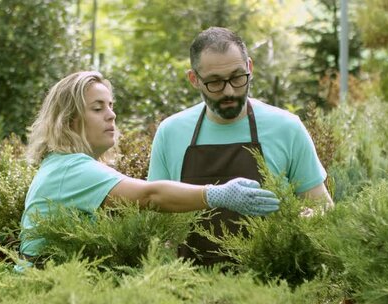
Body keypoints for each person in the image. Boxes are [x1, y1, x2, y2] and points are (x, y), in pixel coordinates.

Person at [18, 70, 281, 265]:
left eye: (111, 106)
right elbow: (149, 195)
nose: (111, 115)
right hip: (48, 296)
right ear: (68, 121)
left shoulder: (62, 165)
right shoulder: (71, 169)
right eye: (97, 108)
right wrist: (217, 194)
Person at [147, 27, 334, 266]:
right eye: (214, 82)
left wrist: (311, 218)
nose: (229, 91)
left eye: (237, 78)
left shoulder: (286, 127)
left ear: (250, 68)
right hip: (191, 291)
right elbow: (156, 213)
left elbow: (322, 206)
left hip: (273, 289)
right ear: (194, 79)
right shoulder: (171, 132)